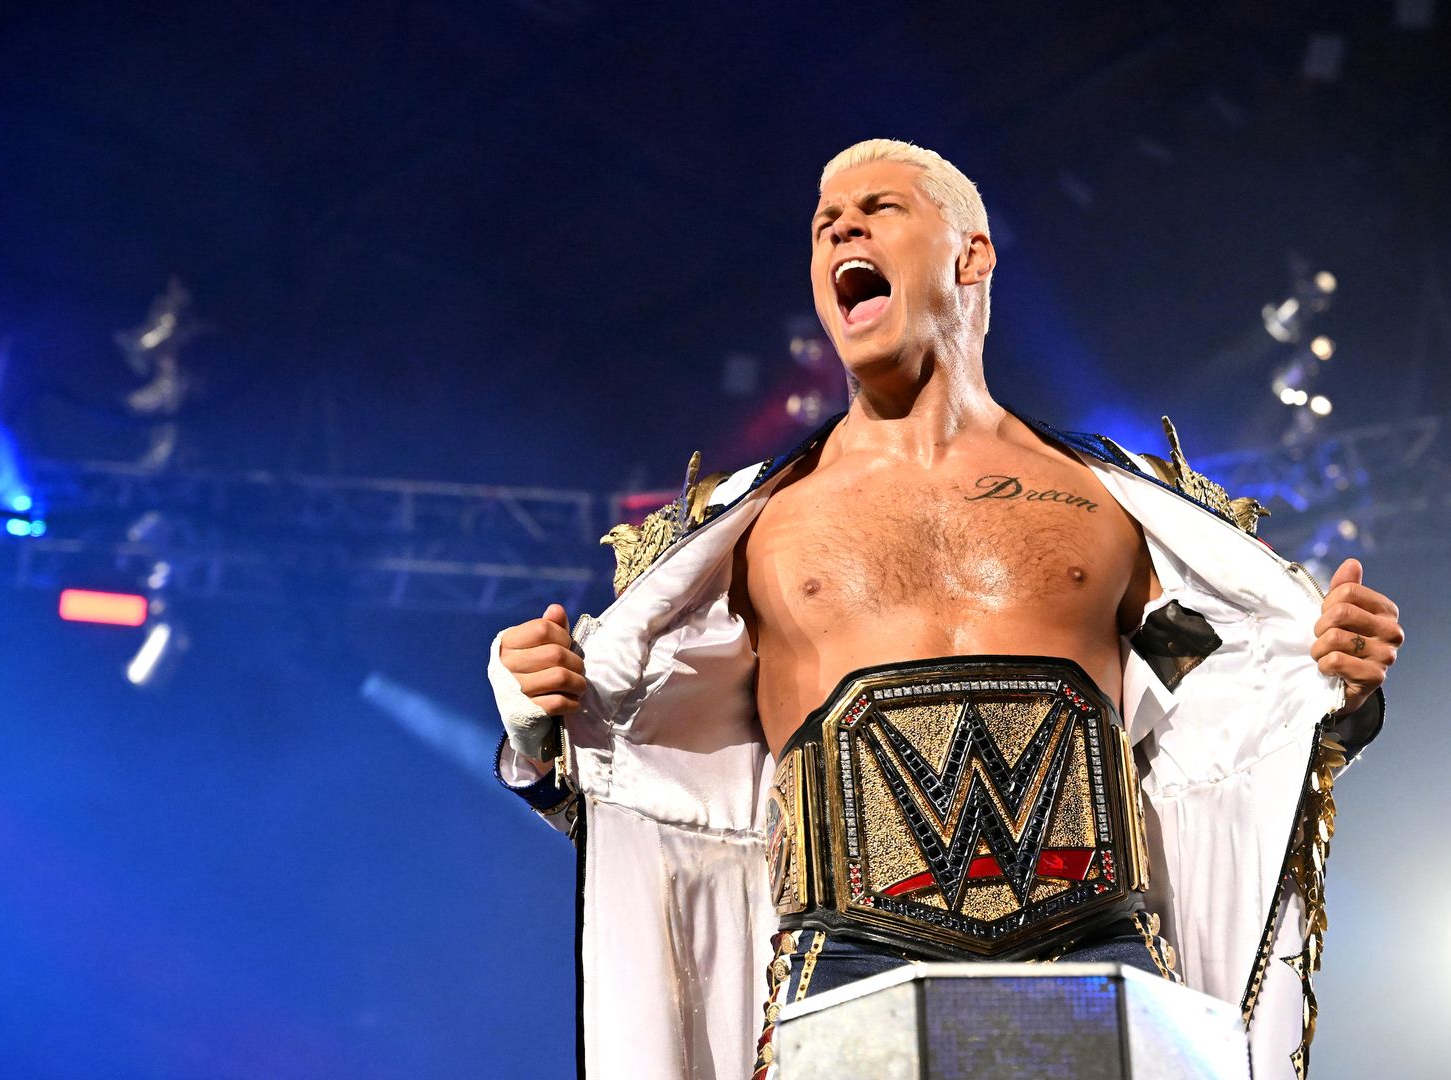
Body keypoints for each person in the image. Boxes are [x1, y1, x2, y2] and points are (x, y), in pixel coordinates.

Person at [488, 140, 1404, 1080]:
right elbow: (644, 777)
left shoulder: (1113, 510)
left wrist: (1335, 678)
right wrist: (532, 726)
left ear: (971, 256)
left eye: (878, 207)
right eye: (822, 224)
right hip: (844, 967)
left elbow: (1234, 704)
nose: (841, 224)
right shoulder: (754, 530)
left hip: (1102, 954)